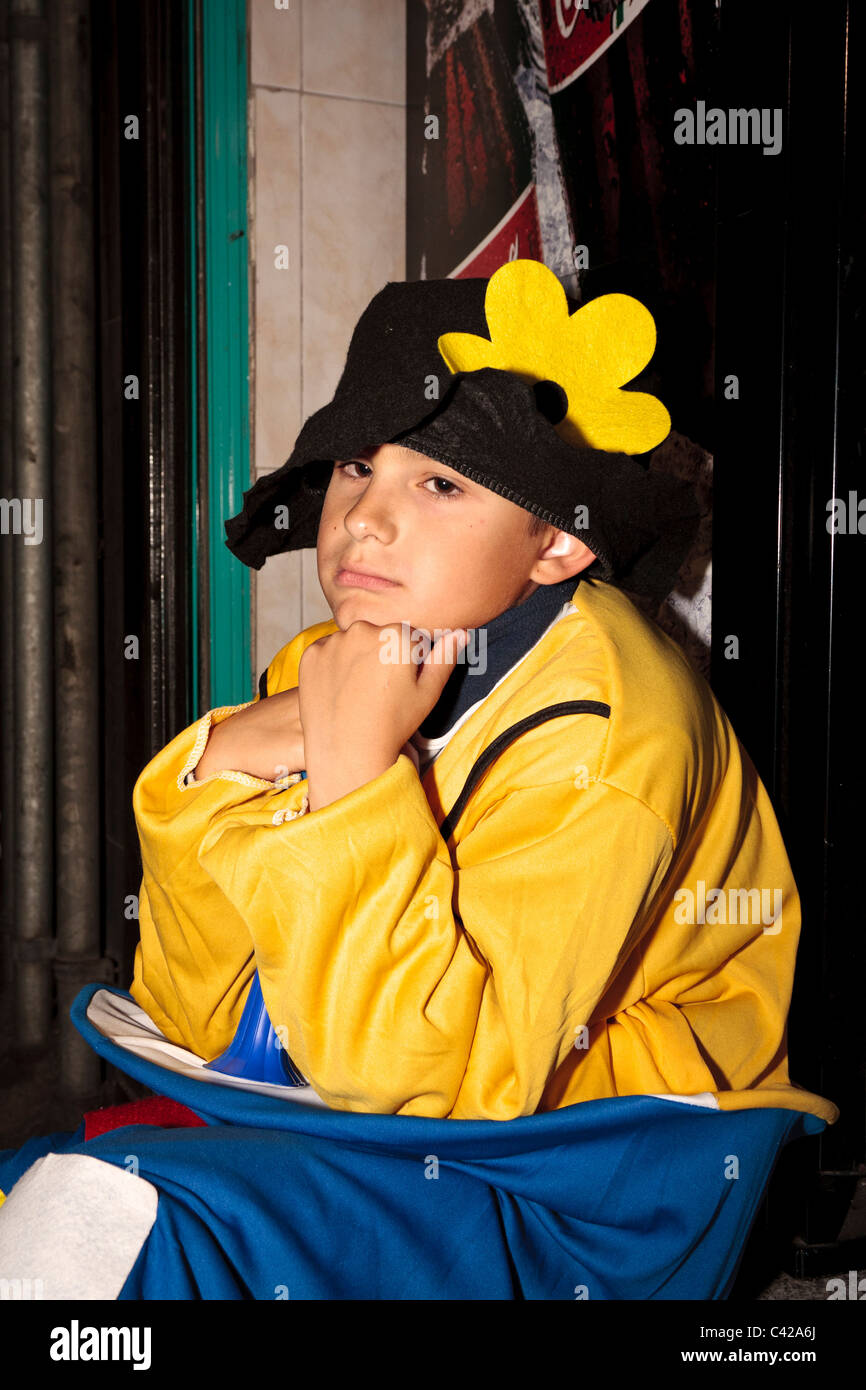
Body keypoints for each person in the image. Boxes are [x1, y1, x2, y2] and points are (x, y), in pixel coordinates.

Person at [0, 259, 839, 1301]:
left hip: (591, 1181)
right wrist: (211, 773)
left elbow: (443, 1093)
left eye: (438, 483)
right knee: (45, 1188)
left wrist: (351, 779)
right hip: (376, 1088)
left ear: (557, 540)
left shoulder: (616, 735)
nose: (363, 520)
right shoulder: (339, 658)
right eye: (356, 466)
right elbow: (195, 1016)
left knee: (109, 1214)